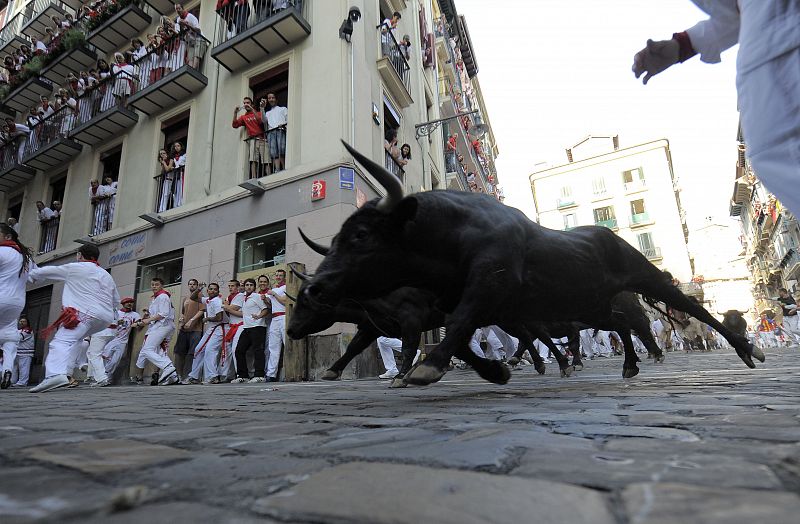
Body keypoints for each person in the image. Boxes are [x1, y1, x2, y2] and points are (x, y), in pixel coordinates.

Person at [632, 2, 800, 217]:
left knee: (778, 154)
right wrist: (681, 46)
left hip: (778, 48)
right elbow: (736, 15)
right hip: (765, 55)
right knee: (773, 156)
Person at [28, 244, 120, 393]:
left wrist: (32, 274)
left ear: (80, 255)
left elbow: (49, 271)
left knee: (61, 341)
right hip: (104, 319)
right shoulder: (106, 275)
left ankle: (55, 375)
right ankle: (67, 373)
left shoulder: (76, 268)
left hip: (84, 314)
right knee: (76, 340)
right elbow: (116, 301)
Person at [0, 223, 35, 389]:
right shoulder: (26, 258)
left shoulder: (2, 251)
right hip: (16, 303)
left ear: (8, 236)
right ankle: (7, 368)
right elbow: (35, 277)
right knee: (9, 337)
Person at [132, 277, 180, 385]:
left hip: (162, 326)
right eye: (152, 284)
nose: (154, 286)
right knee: (161, 351)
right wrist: (146, 317)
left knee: (147, 350)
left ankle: (167, 367)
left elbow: (163, 314)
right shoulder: (157, 297)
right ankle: (172, 376)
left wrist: (146, 321)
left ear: (162, 285)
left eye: (157, 284)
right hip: (163, 326)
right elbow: (157, 314)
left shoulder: (162, 296)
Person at [184, 282, 228, 384]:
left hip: (219, 328)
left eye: (215, 289)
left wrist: (207, 318)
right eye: (210, 289)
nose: (212, 291)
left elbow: (219, 317)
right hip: (213, 328)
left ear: (218, 292)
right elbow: (193, 297)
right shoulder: (208, 299)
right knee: (199, 349)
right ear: (207, 290)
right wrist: (199, 289)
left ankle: (212, 376)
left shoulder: (217, 301)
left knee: (210, 350)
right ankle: (194, 376)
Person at [231, 278, 270, 383]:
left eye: (251, 285)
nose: (249, 287)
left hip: (258, 327)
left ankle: (259, 375)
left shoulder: (256, 296)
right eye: (247, 285)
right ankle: (243, 376)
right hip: (247, 327)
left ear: (254, 287)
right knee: (239, 350)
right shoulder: (244, 298)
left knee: (258, 351)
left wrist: (258, 316)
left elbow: (265, 309)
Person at [101, 297, 141, 380]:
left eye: (131, 302)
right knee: (104, 357)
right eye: (127, 302)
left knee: (115, 361)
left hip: (123, 341)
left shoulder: (135, 315)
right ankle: (101, 375)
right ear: (123, 304)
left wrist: (145, 317)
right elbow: (107, 324)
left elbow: (139, 325)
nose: (129, 304)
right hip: (112, 339)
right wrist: (117, 322)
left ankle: (107, 376)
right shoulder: (117, 313)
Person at [173, 279, 204, 381]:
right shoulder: (185, 298)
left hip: (196, 329)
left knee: (192, 353)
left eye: (194, 284)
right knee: (179, 352)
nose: (192, 286)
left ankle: (188, 376)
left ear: (197, 286)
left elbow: (202, 311)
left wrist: (191, 320)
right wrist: (182, 319)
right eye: (190, 284)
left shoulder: (200, 296)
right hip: (184, 329)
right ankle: (178, 376)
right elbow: (183, 312)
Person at [232, 97, 267, 179]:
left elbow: (260, 121)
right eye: (244, 103)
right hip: (252, 140)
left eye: (248, 103)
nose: (245, 104)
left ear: (252, 104)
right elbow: (235, 125)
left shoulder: (258, 113)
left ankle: (268, 176)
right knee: (253, 160)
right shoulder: (243, 117)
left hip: (262, 139)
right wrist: (235, 113)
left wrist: (252, 109)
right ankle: (253, 178)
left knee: (266, 160)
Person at [264, 269, 287, 381]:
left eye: (280, 275)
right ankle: (271, 374)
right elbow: (270, 305)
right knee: (273, 347)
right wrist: (265, 299)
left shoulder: (286, 287)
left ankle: (288, 372)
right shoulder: (274, 289)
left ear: (284, 277)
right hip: (274, 318)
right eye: (277, 275)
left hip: (284, 316)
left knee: (287, 344)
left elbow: (285, 302)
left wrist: (274, 294)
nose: (278, 277)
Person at [220, 279, 244, 381]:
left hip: (240, 325)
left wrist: (225, 306)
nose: (230, 288)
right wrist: (226, 306)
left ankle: (240, 374)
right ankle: (227, 375)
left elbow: (233, 308)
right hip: (231, 326)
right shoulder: (229, 298)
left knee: (235, 349)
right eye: (229, 286)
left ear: (237, 287)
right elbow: (228, 309)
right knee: (227, 351)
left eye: (233, 286)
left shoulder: (240, 295)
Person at [260, 93, 287, 173]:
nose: (271, 99)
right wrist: (262, 108)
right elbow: (264, 120)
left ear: (276, 99)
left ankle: (284, 167)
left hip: (280, 130)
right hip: (271, 132)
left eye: (273, 97)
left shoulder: (283, 109)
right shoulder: (268, 113)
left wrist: (284, 125)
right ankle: (277, 169)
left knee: (281, 149)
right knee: (274, 152)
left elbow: (288, 119)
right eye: (269, 98)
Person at [11, 318, 34, 387]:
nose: (21, 323)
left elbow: (20, 337)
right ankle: (12, 381)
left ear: (27, 323)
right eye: (20, 321)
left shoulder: (28, 330)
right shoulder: (18, 330)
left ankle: (22, 382)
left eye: (24, 321)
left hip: (25, 353)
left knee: (24, 368)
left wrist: (9, 336)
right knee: (14, 368)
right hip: (17, 352)